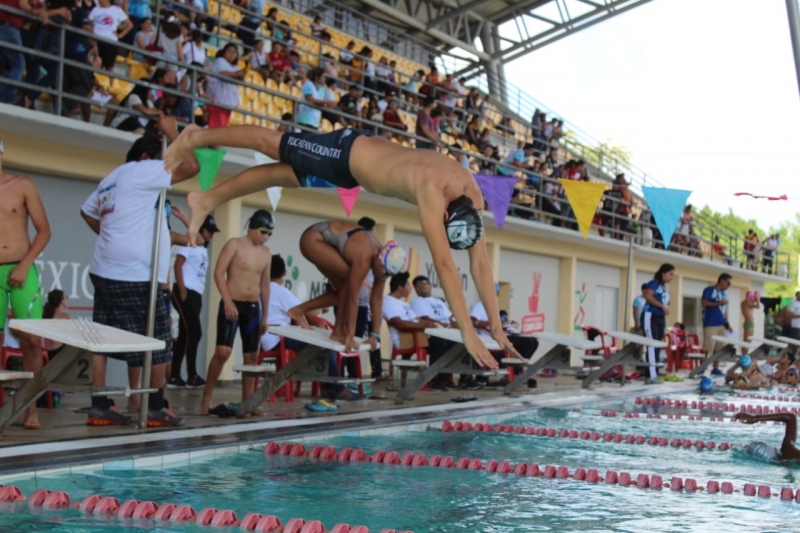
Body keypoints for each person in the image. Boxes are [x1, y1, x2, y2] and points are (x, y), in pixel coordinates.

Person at [162, 126, 521, 368]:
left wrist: (497, 327)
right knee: (272, 144)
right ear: (444, 213)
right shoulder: (432, 189)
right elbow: (444, 265)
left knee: (279, 174)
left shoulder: (473, 197)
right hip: (346, 152)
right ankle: (194, 137)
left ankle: (206, 199)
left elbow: (481, 267)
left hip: (354, 172)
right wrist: (467, 331)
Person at [80, 120, 199, 427]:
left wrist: (111, 238)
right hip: (134, 275)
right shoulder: (143, 171)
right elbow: (192, 165)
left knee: (102, 339)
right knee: (159, 341)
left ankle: (99, 404)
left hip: (103, 269)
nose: (165, 165)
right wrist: (174, 132)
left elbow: (86, 210)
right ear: (147, 158)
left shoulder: (111, 178)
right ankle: (156, 407)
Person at [285, 220, 405, 353]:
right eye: (384, 273)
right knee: (349, 285)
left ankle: (326, 325)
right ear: (379, 260)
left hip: (325, 242)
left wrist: (374, 335)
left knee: (344, 290)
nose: (384, 277)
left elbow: (377, 298)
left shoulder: (383, 263)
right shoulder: (365, 256)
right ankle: (303, 312)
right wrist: (351, 335)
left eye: (388, 275)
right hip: (312, 240)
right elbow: (354, 297)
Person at [0, 139, 51, 430]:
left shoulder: (22, 184)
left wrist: (24, 264)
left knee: (32, 340)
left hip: (22, 268)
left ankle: (31, 409)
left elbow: (44, 231)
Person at [201, 209, 273, 415]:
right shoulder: (234, 244)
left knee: (251, 357)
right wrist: (227, 300)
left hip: (252, 309)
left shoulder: (266, 253)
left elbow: (265, 285)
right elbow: (218, 272)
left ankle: (248, 402)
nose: (265, 237)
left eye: (269, 234)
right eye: (263, 232)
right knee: (223, 352)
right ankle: (207, 396)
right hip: (231, 305)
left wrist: (266, 314)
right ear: (252, 227)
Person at [168, 214, 219, 389]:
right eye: (208, 231)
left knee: (185, 334)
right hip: (185, 291)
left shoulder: (203, 249)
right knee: (195, 333)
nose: (211, 235)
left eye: (213, 232)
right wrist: (182, 289)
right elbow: (178, 265)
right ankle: (192, 374)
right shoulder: (190, 242)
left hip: (195, 293)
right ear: (200, 229)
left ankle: (175, 376)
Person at [642, 263, 675, 384]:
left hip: (660, 317)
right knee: (651, 344)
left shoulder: (663, 286)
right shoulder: (654, 283)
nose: (672, 277)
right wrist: (662, 306)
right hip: (650, 316)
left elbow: (664, 299)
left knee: (657, 344)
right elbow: (648, 296)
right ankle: (652, 375)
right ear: (663, 273)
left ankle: (654, 371)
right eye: (670, 274)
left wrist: (665, 302)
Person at [733, 412, 800, 461]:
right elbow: (791, 418)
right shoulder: (790, 453)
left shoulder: (788, 452)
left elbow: (791, 418)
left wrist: (755, 418)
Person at [207, 43, 245, 128]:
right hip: (217, 101)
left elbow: (242, 77)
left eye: (234, 52)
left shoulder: (235, 66)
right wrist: (236, 74)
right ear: (224, 52)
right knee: (215, 129)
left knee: (223, 128)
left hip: (229, 103)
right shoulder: (220, 60)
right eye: (229, 51)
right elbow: (223, 73)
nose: (232, 54)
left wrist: (237, 74)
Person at [701, 273, 733, 376]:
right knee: (708, 347)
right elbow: (704, 303)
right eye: (728, 283)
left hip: (721, 325)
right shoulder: (710, 290)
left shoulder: (724, 295)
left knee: (719, 348)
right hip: (711, 323)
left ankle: (715, 368)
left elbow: (724, 311)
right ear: (722, 281)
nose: (729, 286)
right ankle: (702, 367)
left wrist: (727, 325)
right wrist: (719, 303)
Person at [88, 0, 132, 70]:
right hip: (96, 40)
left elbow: (129, 25)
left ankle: (111, 81)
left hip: (110, 42)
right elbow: (90, 24)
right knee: (95, 63)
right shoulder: (95, 9)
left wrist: (120, 35)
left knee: (109, 67)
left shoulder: (117, 10)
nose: (99, 1)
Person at [42, 289, 70, 360]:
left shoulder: (47, 313)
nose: (67, 299)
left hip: (46, 352)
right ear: (62, 301)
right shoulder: (65, 317)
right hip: (58, 352)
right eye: (66, 297)